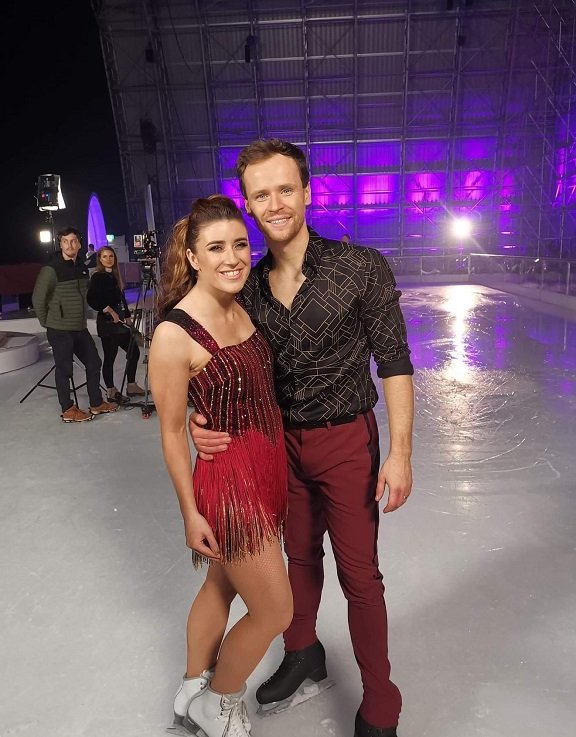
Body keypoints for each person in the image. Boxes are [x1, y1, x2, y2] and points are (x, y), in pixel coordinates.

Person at [190, 140, 414, 737]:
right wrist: (199, 418)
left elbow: (394, 361)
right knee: (298, 560)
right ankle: (303, 653)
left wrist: (399, 452)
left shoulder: (361, 267)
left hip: (347, 442)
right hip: (277, 446)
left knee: (361, 577)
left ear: (307, 192)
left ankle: (380, 701)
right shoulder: (249, 286)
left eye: (284, 188)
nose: (275, 202)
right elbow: (222, 362)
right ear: (250, 205)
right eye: (260, 194)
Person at [148, 195, 293, 737]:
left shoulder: (240, 304)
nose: (232, 258)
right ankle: (220, 700)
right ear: (191, 257)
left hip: (266, 467)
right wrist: (190, 512)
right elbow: (168, 430)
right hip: (231, 484)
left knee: (220, 586)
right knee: (275, 611)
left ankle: (191, 687)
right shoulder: (174, 334)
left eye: (239, 245)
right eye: (216, 248)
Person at [32, 227, 118, 422]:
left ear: (79, 244)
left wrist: (104, 308)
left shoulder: (80, 265)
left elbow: (86, 295)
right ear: (60, 243)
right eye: (65, 241)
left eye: (73, 241)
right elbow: (38, 298)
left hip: (79, 328)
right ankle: (68, 409)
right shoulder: (51, 268)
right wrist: (48, 322)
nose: (70, 245)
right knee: (64, 369)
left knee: (94, 362)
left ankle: (96, 403)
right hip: (60, 329)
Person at [86, 246, 145, 403]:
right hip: (108, 324)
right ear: (99, 259)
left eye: (111, 256)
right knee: (110, 358)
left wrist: (126, 316)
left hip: (120, 323)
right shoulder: (98, 277)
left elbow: (120, 298)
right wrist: (109, 310)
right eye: (104, 256)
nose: (108, 259)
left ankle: (131, 386)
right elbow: (92, 299)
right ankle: (111, 391)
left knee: (134, 352)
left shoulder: (113, 275)